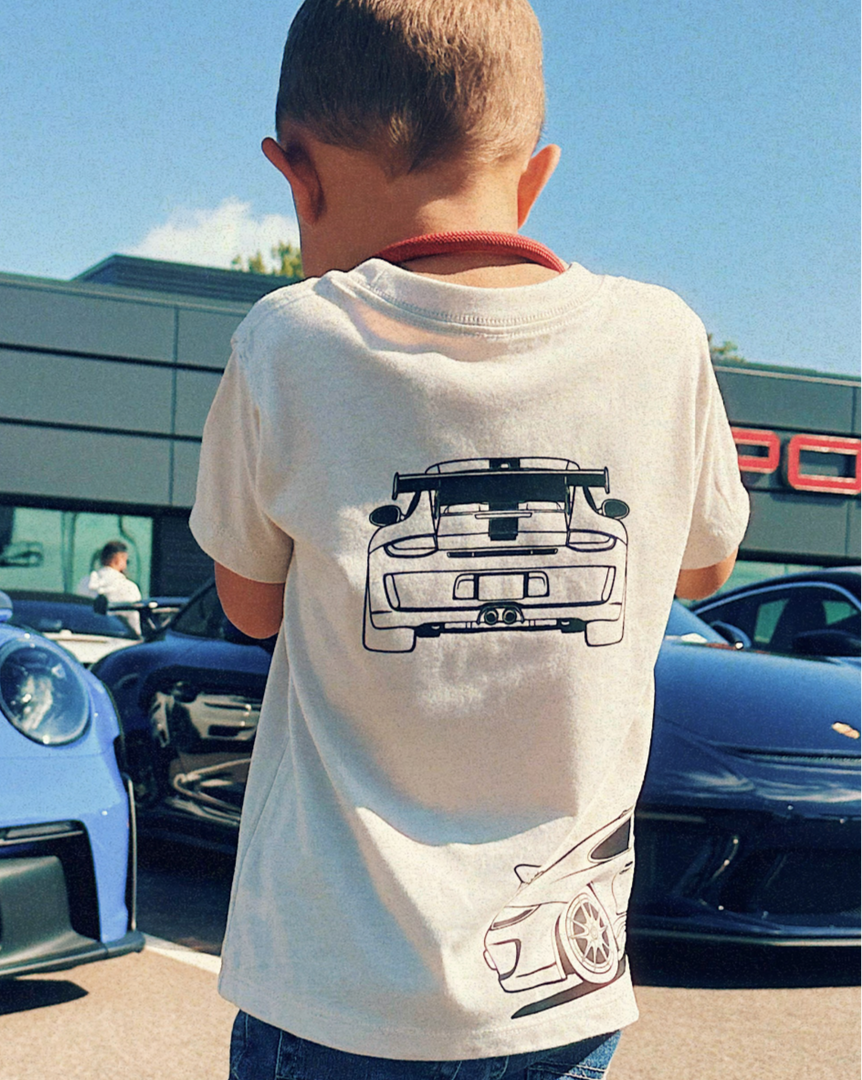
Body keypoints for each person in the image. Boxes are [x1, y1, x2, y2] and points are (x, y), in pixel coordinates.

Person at [189, 2, 750, 1077]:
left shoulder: (290, 342)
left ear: (296, 175)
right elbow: (704, 565)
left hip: (333, 987)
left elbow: (250, 604)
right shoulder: (661, 339)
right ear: (534, 175)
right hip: (559, 986)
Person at [75, 539, 142, 636]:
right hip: (119, 641)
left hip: (85, 637)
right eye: (126, 561)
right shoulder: (129, 588)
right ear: (118, 560)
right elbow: (134, 624)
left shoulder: (85, 583)